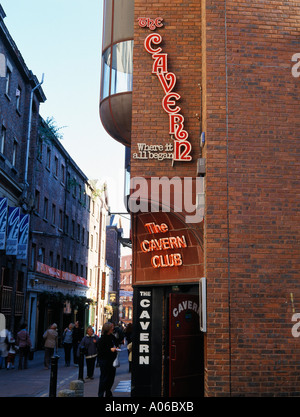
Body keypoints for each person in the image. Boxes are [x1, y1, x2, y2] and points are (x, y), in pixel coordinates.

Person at [97, 322, 118, 397]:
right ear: (108, 328)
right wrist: (110, 350)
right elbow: (101, 351)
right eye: (112, 327)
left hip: (112, 361)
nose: (113, 328)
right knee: (104, 378)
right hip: (104, 360)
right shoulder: (102, 339)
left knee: (111, 378)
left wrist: (116, 348)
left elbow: (116, 343)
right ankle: (101, 394)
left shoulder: (112, 337)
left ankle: (108, 392)